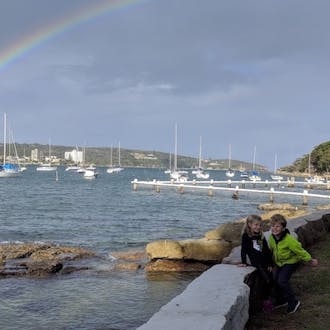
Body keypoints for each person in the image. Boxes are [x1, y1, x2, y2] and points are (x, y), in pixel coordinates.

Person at [268, 213, 318, 314]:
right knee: (275, 279)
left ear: (283, 228)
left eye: (277, 226)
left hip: (291, 262)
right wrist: (269, 262)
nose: (274, 228)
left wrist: (310, 259)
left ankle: (293, 302)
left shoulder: (289, 240)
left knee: (282, 281)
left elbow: (299, 250)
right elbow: (271, 250)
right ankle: (281, 300)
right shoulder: (271, 238)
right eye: (272, 226)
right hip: (280, 263)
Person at [238, 214, 274, 309]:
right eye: (256, 225)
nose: (258, 227)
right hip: (256, 263)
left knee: (271, 279)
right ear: (249, 224)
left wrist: (270, 263)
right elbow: (243, 250)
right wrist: (244, 262)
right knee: (266, 280)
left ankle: (269, 299)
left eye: (260, 225)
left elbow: (266, 250)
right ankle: (265, 302)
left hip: (265, 262)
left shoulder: (261, 235)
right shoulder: (246, 236)